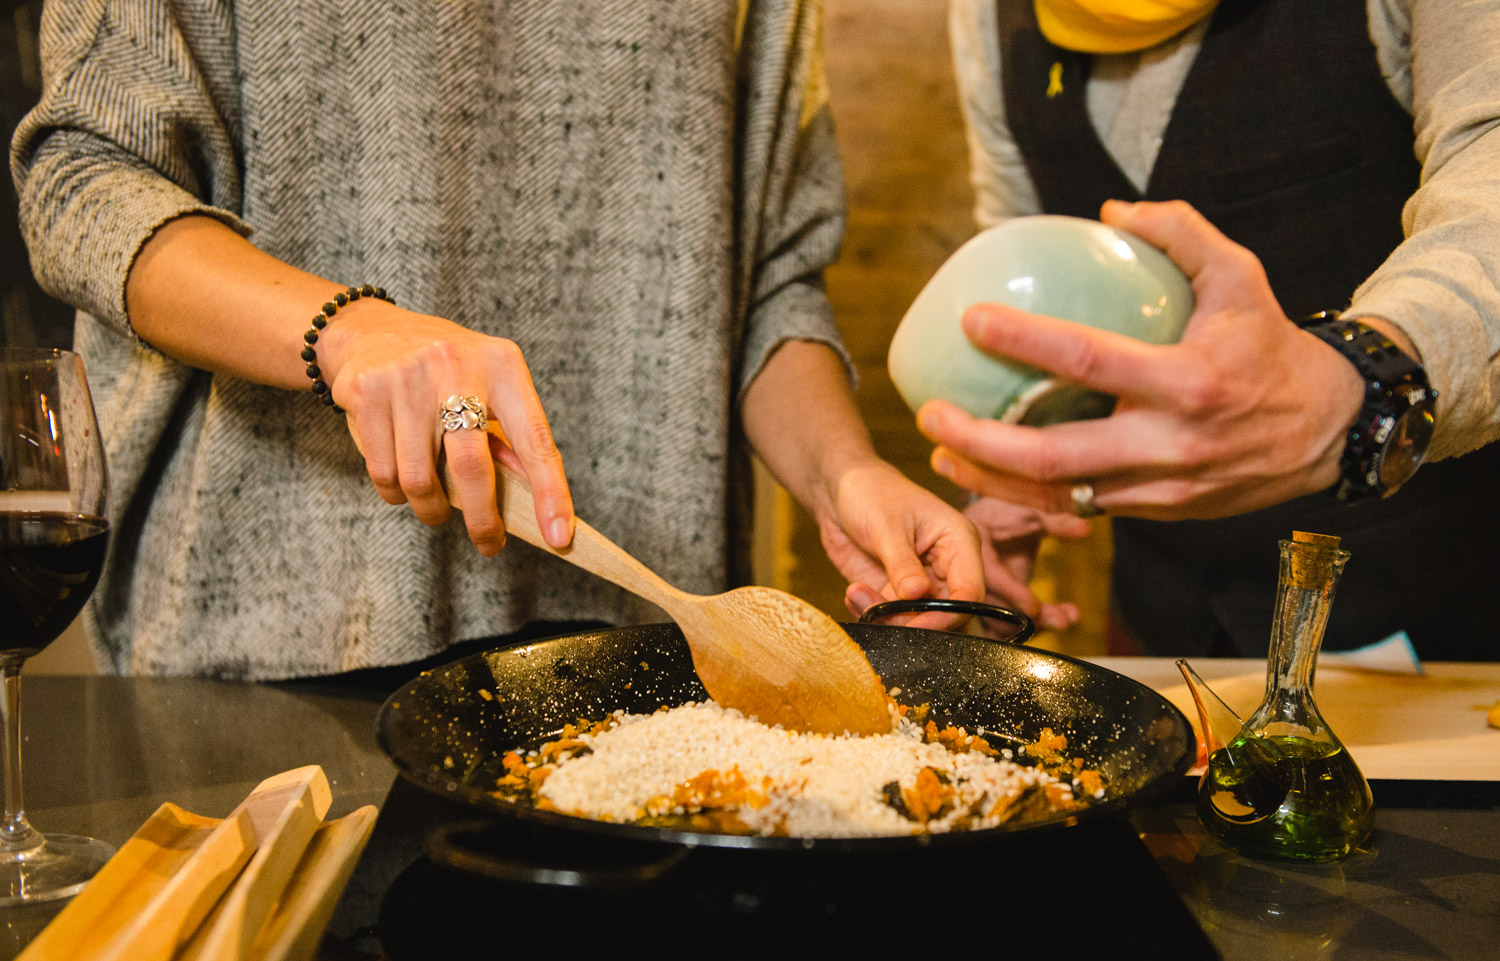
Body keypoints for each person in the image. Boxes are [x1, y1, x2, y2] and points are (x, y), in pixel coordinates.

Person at [10, 0, 1007, 680]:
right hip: (269, 658)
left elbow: (764, 275)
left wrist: (844, 476)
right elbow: (81, 184)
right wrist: (343, 333)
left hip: (648, 657)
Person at [919, 0, 1500, 658]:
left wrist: (1356, 386)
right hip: (1161, 623)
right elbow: (1025, 252)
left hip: (1444, 634)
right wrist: (1017, 461)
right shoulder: (985, 15)